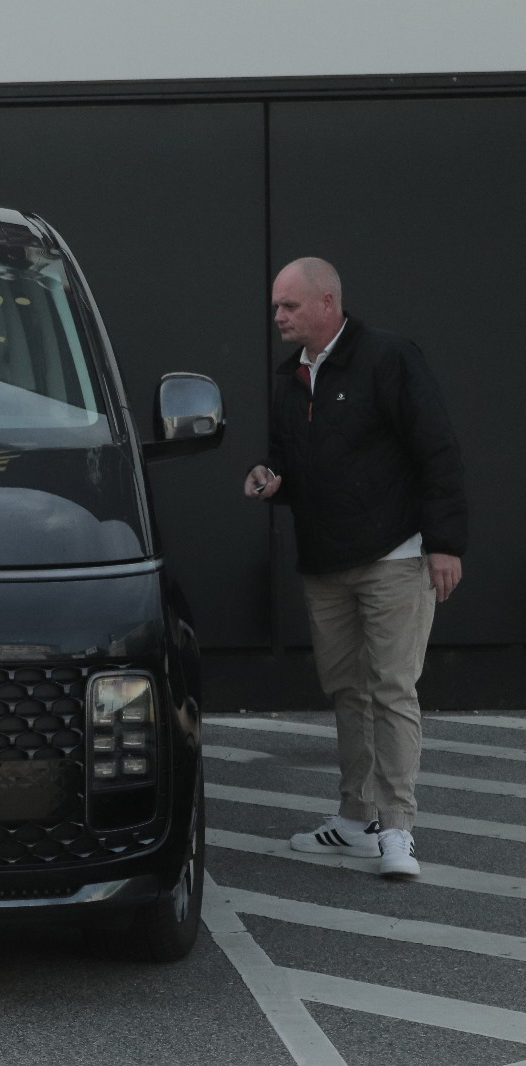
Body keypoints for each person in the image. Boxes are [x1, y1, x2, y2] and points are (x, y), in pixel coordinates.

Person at [245, 257, 467, 880]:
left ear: (327, 302)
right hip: (325, 564)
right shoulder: (290, 378)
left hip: (394, 555)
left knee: (392, 689)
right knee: (347, 691)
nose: (278, 316)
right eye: (276, 306)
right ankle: (355, 819)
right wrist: (269, 478)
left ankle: (397, 830)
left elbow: (438, 449)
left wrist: (445, 544)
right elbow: (289, 462)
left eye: (289, 305)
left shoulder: (389, 358)